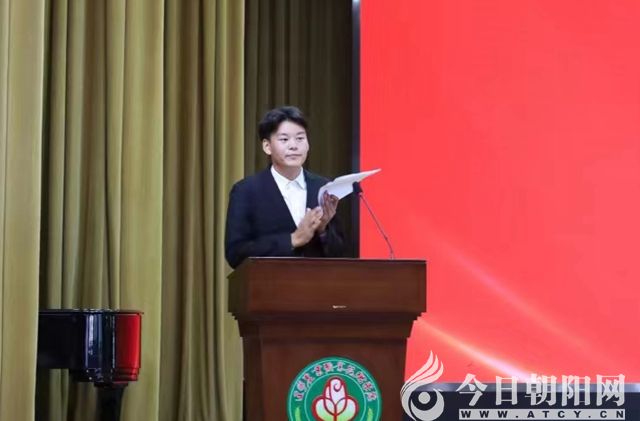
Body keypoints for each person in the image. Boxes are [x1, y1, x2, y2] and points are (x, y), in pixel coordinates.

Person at [225, 106, 345, 268]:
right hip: (269, 282)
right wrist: (292, 240)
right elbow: (235, 253)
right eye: (284, 139)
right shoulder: (246, 191)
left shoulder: (323, 187)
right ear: (267, 146)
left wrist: (323, 230)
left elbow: (341, 253)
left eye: (300, 138)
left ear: (308, 144)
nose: (293, 146)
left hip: (318, 282)